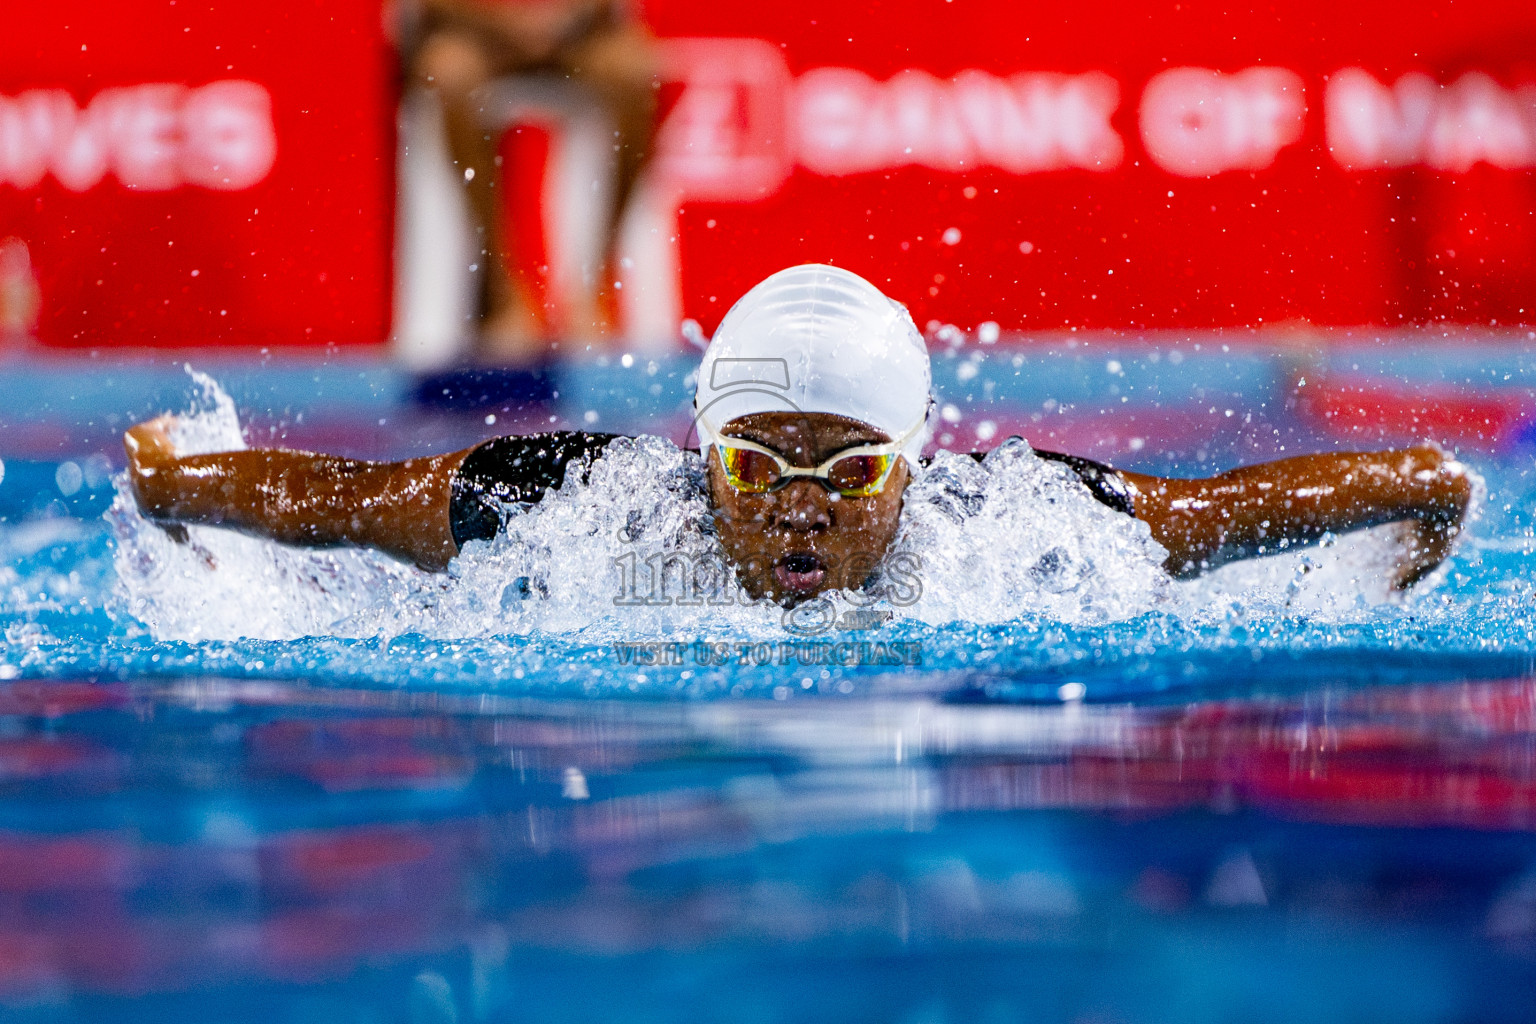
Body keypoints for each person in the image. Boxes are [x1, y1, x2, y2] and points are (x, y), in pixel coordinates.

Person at [123, 265, 1473, 605]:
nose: (802, 507)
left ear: (914, 462)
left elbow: (1222, 513)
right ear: (704, 451)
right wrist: (183, 481)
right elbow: (350, 500)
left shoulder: (1012, 514)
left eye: (852, 469)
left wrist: (1425, 489)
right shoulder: (591, 494)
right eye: (760, 466)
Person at [407, 0, 660, 360]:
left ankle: (594, 288)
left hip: (572, 36)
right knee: (449, 70)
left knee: (633, 69)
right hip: (475, 35)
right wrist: (508, 25)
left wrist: (564, 17)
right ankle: (503, 291)